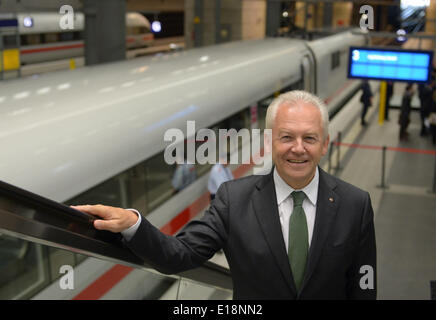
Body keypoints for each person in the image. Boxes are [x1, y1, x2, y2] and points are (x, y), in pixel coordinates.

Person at [72, 90, 377, 300]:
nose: (298, 148)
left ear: (325, 144)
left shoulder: (356, 204)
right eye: (286, 137)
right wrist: (133, 223)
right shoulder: (234, 199)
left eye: (309, 138)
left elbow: (364, 287)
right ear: (270, 141)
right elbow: (178, 255)